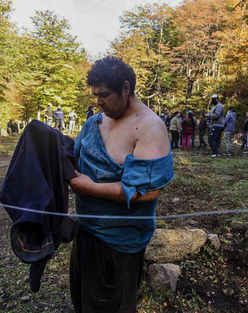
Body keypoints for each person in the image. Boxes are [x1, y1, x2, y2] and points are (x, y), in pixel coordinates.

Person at [68, 56, 174, 313]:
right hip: (85, 233)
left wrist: (88, 188)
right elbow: (74, 155)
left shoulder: (148, 127)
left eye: (104, 95)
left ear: (126, 88)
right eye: (95, 95)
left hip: (120, 243)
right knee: (83, 303)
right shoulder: (95, 122)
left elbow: (148, 191)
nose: (98, 102)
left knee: (112, 308)